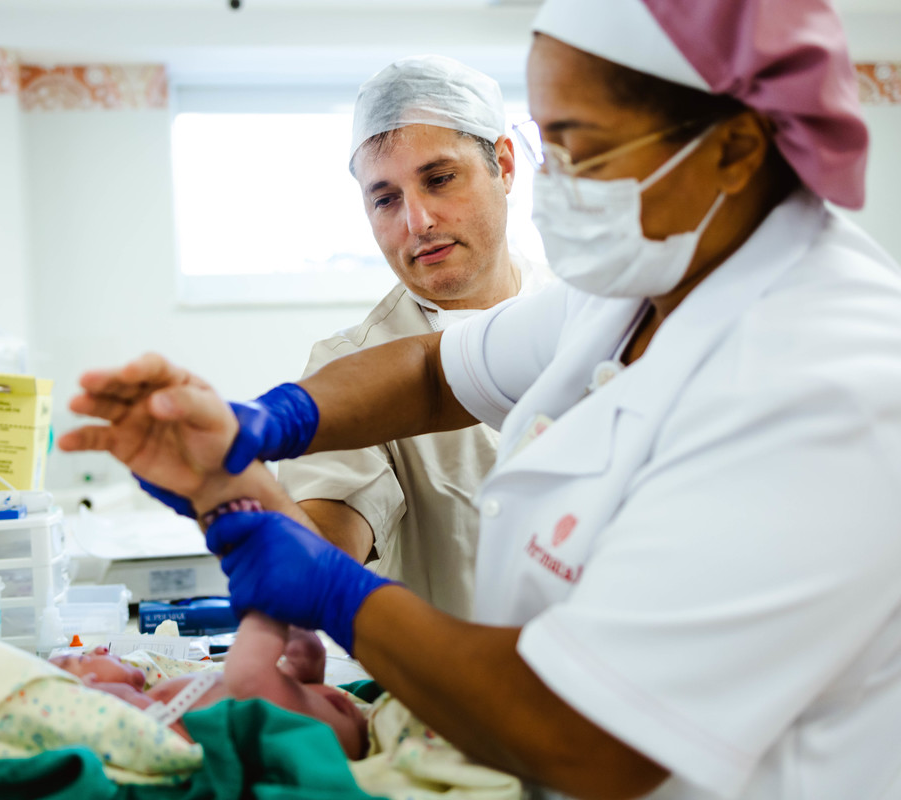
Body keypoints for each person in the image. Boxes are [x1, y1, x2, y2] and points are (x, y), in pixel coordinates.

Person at [59, 0, 901, 797]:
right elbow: (434, 370)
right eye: (552, 145)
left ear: (735, 146)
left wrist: (333, 593)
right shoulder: (643, 281)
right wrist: (270, 423)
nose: (557, 179)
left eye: (584, 149)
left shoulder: (826, 383)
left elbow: (595, 735)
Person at [276, 55, 544, 619]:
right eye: (385, 198)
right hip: (453, 695)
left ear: (504, 164)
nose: (416, 221)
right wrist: (264, 528)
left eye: (439, 179)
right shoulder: (349, 367)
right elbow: (332, 528)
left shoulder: (589, 308)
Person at [49, 610, 369, 760]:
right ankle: (265, 616)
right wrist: (102, 698)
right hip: (304, 731)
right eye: (82, 660)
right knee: (248, 676)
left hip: (312, 708)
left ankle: (303, 668)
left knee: (265, 676)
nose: (98, 650)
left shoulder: (157, 691)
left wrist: (302, 680)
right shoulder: (137, 714)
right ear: (86, 690)